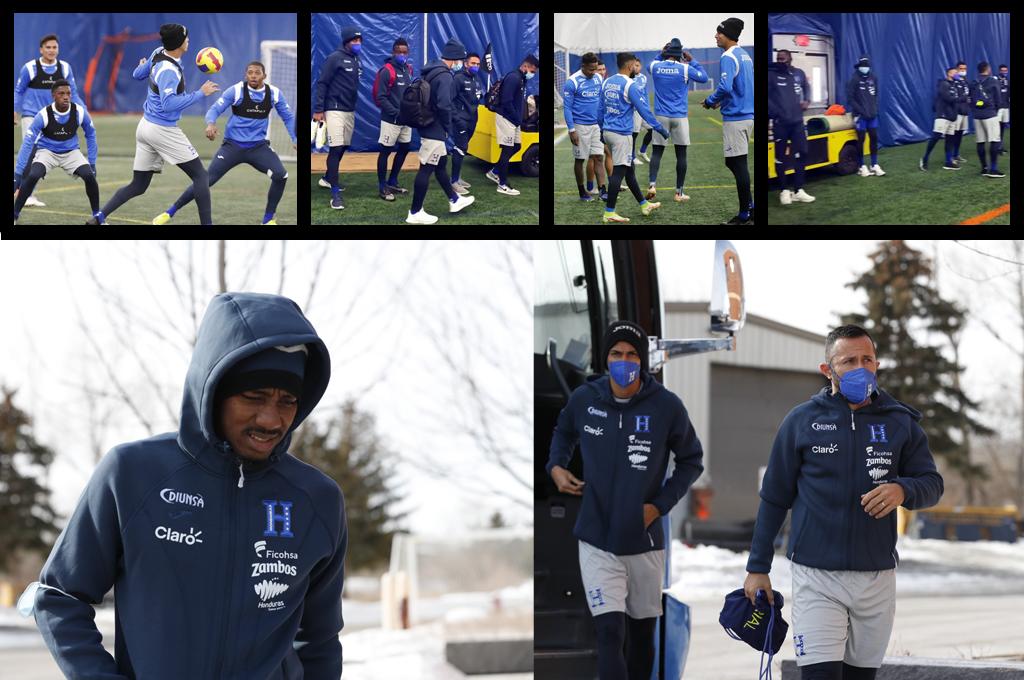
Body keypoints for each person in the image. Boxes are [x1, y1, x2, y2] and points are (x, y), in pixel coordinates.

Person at [23, 292, 346, 678]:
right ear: (213, 389)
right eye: (253, 396)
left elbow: (320, 639)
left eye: (288, 401)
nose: (272, 420)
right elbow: (60, 596)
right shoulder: (131, 474)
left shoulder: (316, 500)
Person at [744, 325, 943, 680]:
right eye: (848, 360)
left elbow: (932, 484)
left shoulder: (900, 422)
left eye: (867, 359)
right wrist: (758, 567)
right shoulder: (802, 421)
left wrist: (903, 490)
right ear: (827, 369)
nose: (860, 368)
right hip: (816, 577)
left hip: (876, 579)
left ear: (877, 364)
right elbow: (774, 497)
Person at [547, 320, 704, 680]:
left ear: (642, 362)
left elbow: (692, 460)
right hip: (597, 538)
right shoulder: (585, 399)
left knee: (641, 636)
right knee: (609, 632)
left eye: (632, 354)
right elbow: (564, 431)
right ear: (606, 359)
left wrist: (659, 506)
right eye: (617, 353)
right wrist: (556, 466)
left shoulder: (666, 406)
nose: (624, 360)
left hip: (644, 541)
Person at [86, 23, 219, 225]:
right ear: (179, 43)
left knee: (138, 185)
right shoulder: (168, 70)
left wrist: (143, 65)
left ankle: (98, 219)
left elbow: (137, 74)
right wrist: (201, 93)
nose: (189, 40)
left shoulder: (158, 52)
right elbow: (168, 104)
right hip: (162, 129)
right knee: (201, 176)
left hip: (145, 127)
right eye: (186, 37)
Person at [154, 61, 296, 225]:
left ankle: (268, 220)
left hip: (258, 147)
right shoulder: (236, 91)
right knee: (206, 181)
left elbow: (288, 117)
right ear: (246, 75)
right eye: (250, 72)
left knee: (281, 175)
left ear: (264, 75)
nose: (253, 76)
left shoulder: (274, 94)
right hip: (232, 147)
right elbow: (214, 110)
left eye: (257, 73)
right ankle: (169, 212)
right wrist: (211, 123)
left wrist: (294, 138)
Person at [404, 38, 476, 224]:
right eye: (461, 60)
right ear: (455, 59)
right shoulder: (444, 76)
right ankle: (415, 212)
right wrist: (446, 127)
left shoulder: (431, 71)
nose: (461, 63)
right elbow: (444, 105)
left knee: (441, 165)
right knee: (426, 168)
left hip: (428, 125)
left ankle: (454, 199)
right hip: (434, 129)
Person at [13, 80, 100, 224]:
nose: (66, 97)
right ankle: (15, 214)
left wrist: (92, 163)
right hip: (47, 151)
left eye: (68, 93)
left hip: (71, 152)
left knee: (89, 176)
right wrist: (17, 174)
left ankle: (98, 217)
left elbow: (91, 134)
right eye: (61, 94)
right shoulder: (43, 115)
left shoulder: (79, 111)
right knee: (33, 175)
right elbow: (28, 143)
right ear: (54, 95)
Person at [14, 33, 85, 208]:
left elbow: (73, 93)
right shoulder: (30, 68)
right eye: (48, 47)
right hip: (31, 116)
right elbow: (19, 90)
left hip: (52, 118)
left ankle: (24, 192)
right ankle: (25, 192)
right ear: (41, 50)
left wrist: (84, 113)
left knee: (39, 155)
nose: (51, 50)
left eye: (54, 47)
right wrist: (15, 110)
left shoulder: (65, 68)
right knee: (33, 151)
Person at [598, 52, 670, 223]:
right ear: (630, 66)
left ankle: (644, 205)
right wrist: (660, 128)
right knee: (619, 173)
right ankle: (609, 213)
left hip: (608, 132)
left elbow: (599, 110)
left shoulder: (607, 81)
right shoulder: (630, 85)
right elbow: (644, 110)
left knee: (629, 171)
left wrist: (602, 131)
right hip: (622, 134)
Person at [703, 17, 754, 225]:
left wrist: (709, 100)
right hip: (747, 115)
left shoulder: (728, 56)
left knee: (737, 163)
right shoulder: (745, 55)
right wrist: (721, 102)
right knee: (735, 162)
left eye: (719, 33)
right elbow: (736, 86)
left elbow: (724, 86)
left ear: (728, 35)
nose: (716, 36)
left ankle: (745, 214)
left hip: (736, 117)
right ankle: (749, 208)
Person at [645, 38, 708, 203]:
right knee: (681, 155)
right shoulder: (685, 68)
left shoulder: (655, 66)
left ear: (666, 52)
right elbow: (704, 77)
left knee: (657, 152)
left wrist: (661, 52)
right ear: (680, 54)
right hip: (679, 117)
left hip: (661, 116)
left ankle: (652, 184)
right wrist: (692, 60)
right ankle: (679, 193)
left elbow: (650, 63)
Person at [313, 25, 362, 210]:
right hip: (333, 108)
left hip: (349, 110)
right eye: (354, 41)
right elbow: (322, 83)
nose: (357, 43)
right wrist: (319, 110)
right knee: (335, 148)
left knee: (344, 146)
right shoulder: (334, 58)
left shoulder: (357, 59)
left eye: (359, 41)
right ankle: (335, 195)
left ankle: (327, 178)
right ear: (346, 42)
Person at [484, 54, 539, 196]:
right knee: (507, 150)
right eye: (532, 71)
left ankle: (495, 171)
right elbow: (506, 101)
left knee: (517, 146)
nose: (533, 74)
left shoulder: (521, 78)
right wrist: (516, 118)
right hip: (506, 118)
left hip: (514, 120)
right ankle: (502, 184)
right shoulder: (513, 77)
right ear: (525, 66)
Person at [768, 49, 815, 204]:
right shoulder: (771, 74)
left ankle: (798, 190)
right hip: (780, 125)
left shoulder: (798, 73)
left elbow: (807, 87)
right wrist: (776, 113)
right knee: (780, 157)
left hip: (797, 123)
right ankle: (784, 190)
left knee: (803, 152)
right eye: (778, 59)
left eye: (784, 59)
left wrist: (807, 100)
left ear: (790, 59)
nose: (781, 61)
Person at [374, 38, 414, 202]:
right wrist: (396, 113)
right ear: (393, 52)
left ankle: (392, 181)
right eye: (399, 52)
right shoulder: (386, 71)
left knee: (405, 148)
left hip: (406, 121)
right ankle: (382, 186)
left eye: (405, 52)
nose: (402, 55)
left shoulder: (408, 69)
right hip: (390, 120)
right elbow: (380, 97)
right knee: (385, 151)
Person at [563, 52, 605, 202]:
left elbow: (601, 101)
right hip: (580, 127)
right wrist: (571, 130)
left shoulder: (598, 78)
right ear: (583, 66)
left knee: (599, 157)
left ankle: (602, 191)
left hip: (597, 126)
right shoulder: (572, 81)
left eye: (595, 69)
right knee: (580, 159)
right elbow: (567, 108)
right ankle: (582, 192)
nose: (594, 72)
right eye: (590, 69)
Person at [451, 51, 484, 195]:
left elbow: (475, 99)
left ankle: (458, 177)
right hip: (461, 121)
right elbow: (450, 101)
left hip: (472, 120)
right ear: (466, 64)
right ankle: (453, 182)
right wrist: (457, 119)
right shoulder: (457, 78)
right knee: (460, 147)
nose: (475, 66)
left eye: (477, 64)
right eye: (473, 63)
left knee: (463, 148)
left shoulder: (476, 79)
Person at [846, 55, 885, 178]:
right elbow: (850, 99)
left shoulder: (873, 78)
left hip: (872, 115)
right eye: (863, 66)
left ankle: (874, 164)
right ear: (859, 67)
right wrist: (860, 111)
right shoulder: (854, 80)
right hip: (860, 116)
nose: (865, 68)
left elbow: (875, 95)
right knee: (861, 139)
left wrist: (873, 110)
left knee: (873, 137)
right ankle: (861, 166)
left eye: (867, 66)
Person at [919, 67, 960, 171]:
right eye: (955, 72)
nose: (957, 74)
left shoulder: (954, 86)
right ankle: (925, 159)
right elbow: (948, 98)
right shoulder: (944, 84)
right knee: (936, 137)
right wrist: (961, 99)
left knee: (950, 139)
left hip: (952, 117)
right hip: (943, 116)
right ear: (949, 74)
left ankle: (948, 161)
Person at [972, 61, 1005, 178]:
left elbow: (971, 99)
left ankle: (984, 168)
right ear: (987, 69)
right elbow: (998, 99)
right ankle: (993, 169)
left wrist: (978, 106)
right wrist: (994, 109)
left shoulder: (974, 82)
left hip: (977, 116)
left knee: (980, 142)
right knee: (994, 140)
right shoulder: (992, 81)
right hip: (990, 114)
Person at [951, 61, 970, 163]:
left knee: (960, 134)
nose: (963, 71)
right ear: (957, 69)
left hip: (965, 112)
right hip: (957, 112)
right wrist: (964, 98)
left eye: (965, 69)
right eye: (961, 69)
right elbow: (954, 98)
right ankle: (950, 156)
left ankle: (956, 154)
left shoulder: (965, 81)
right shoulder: (954, 81)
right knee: (953, 134)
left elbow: (968, 95)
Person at [996, 64, 1010, 153]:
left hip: (1006, 106)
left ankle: (1000, 146)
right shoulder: (995, 80)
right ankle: (996, 147)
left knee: (1003, 126)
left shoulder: (1007, 80)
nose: (1004, 72)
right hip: (998, 108)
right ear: (999, 71)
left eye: (1006, 71)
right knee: (997, 127)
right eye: (1003, 71)